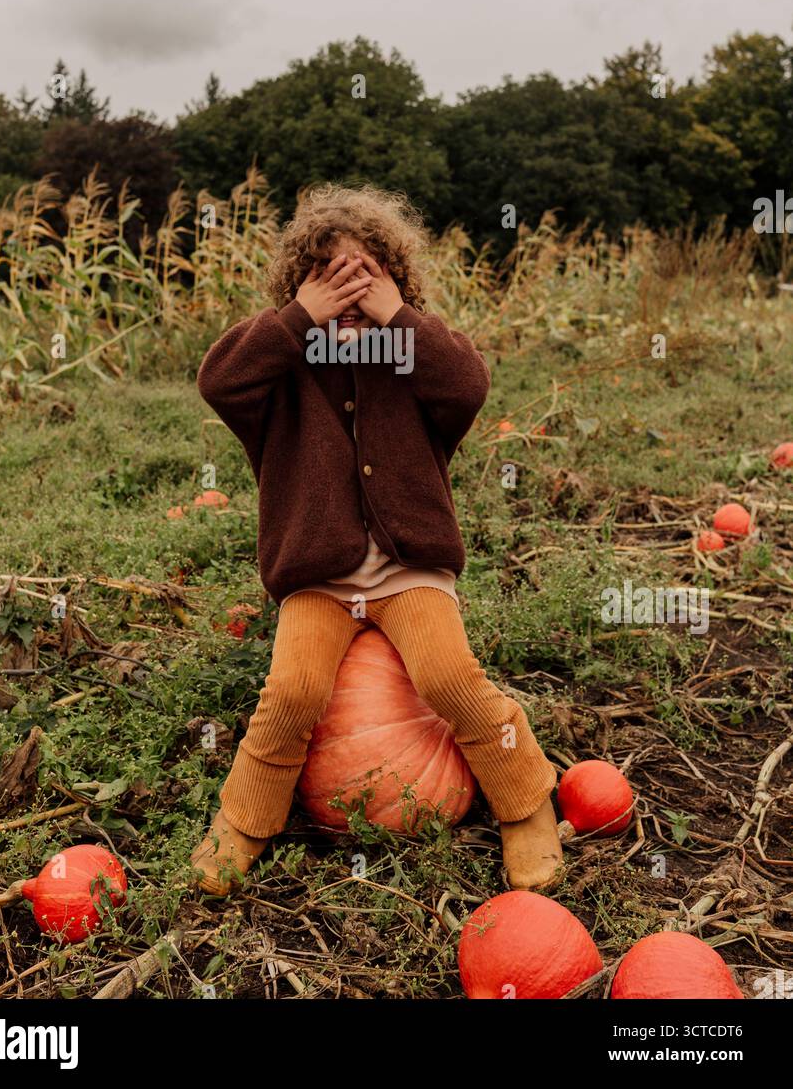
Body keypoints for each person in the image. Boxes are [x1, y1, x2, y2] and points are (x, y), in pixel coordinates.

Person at [191, 183, 563, 894]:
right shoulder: (280, 370)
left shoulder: (416, 360)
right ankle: (244, 820)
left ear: (398, 282)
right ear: (300, 288)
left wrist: (400, 319)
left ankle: (525, 805)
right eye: (330, 275)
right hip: (318, 579)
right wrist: (302, 320)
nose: (350, 292)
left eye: (368, 275)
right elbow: (218, 380)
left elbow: (470, 383)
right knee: (293, 692)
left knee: (450, 679)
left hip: (408, 572)